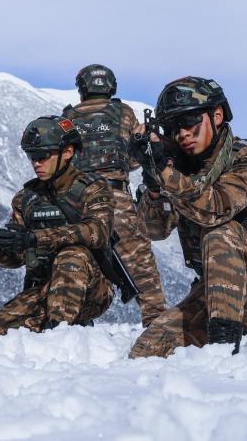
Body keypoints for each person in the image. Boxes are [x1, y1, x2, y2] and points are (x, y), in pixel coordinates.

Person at [128, 77, 247, 358]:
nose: (182, 134)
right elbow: (154, 230)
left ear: (216, 116)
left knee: (221, 232)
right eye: (173, 127)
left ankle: (223, 352)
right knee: (148, 350)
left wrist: (166, 175)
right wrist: (155, 186)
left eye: (190, 121)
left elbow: (214, 209)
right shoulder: (179, 170)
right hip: (216, 292)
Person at [0, 115, 115, 334]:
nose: (36, 163)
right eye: (32, 156)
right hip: (43, 290)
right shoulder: (26, 198)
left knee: (73, 254)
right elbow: (17, 259)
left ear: (68, 152)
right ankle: (50, 323)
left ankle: (59, 335)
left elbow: (98, 232)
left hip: (91, 291)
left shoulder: (94, 188)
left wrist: (36, 237)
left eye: (43, 156)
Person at [62, 64, 168, 326]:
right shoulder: (123, 113)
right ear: (111, 86)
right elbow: (133, 157)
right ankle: (156, 323)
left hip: (77, 198)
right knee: (138, 260)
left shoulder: (66, 118)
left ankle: (70, 322)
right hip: (115, 197)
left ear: (82, 87)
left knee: (77, 258)